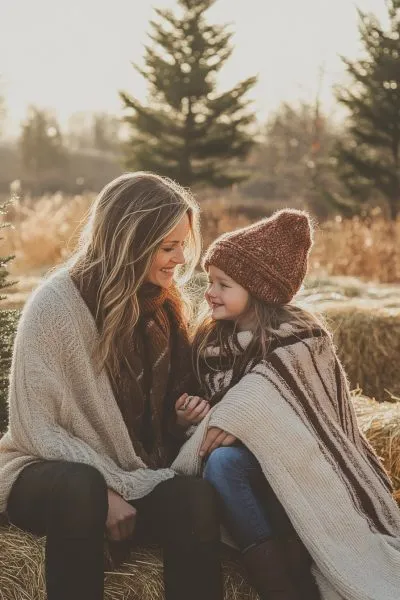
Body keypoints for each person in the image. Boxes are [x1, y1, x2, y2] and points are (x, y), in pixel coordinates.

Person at [0, 172, 223, 600]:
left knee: (193, 498)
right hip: (45, 473)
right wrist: (107, 490)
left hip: (129, 474)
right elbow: (37, 428)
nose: (180, 258)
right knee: (80, 489)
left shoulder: (167, 307)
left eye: (183, 244)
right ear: (130, 240)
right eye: (167, 246)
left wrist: (178, 422)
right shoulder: (55, 306)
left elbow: (151, 432)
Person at [171, 209, 400, 600]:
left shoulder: (303, 338)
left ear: (259, 290)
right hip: (244, 475)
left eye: (223, 284)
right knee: (223, 463)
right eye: (210, 280)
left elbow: (308, 414)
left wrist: (240, 416)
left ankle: (304, 565)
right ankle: (279, 588)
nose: (210, 292)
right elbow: (208, 415)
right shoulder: (208, 343)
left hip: (299, 466)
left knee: (226, 462)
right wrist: (189, 417)